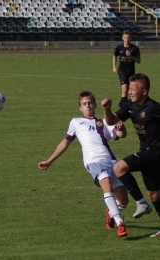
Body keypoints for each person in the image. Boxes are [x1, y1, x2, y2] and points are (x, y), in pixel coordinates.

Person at [38, 91, 130, 237]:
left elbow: (121, 135)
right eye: (84, 104)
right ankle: (120, 223)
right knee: (106, 185)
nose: (88, 106)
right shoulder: (76, 122)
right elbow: (65, 142)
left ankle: (111, 212)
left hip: (112, 161)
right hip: (94, 162)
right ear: (80, 108)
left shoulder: (105, 121)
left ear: (95, 104)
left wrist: (122, 129)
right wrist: (49, 160)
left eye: (90, 103)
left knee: (124, 201)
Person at [101, 73, 160, 238]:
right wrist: (106, 109)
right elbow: (111, 121)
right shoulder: (130, 106)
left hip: (155, 153)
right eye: (129, 88)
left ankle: (141, 204)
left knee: (119, 167)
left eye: (133, 89)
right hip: (147, 154)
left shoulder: (153, 108)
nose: (130, 92)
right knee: (154, 194)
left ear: (144, 92)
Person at [113, 30, 141, 108]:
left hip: (131, 71)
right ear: (122, 38)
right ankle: (124, 106)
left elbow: (138, 61)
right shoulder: (119, 47)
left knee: (129, 90)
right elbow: (115, 56)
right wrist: (114, 67)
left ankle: (122, 103)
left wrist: (131, 56)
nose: (127, 39)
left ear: (131, 38)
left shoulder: (135, 48)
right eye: (125, 37)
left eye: (128, 37)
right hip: (122, 71)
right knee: (125, 89)